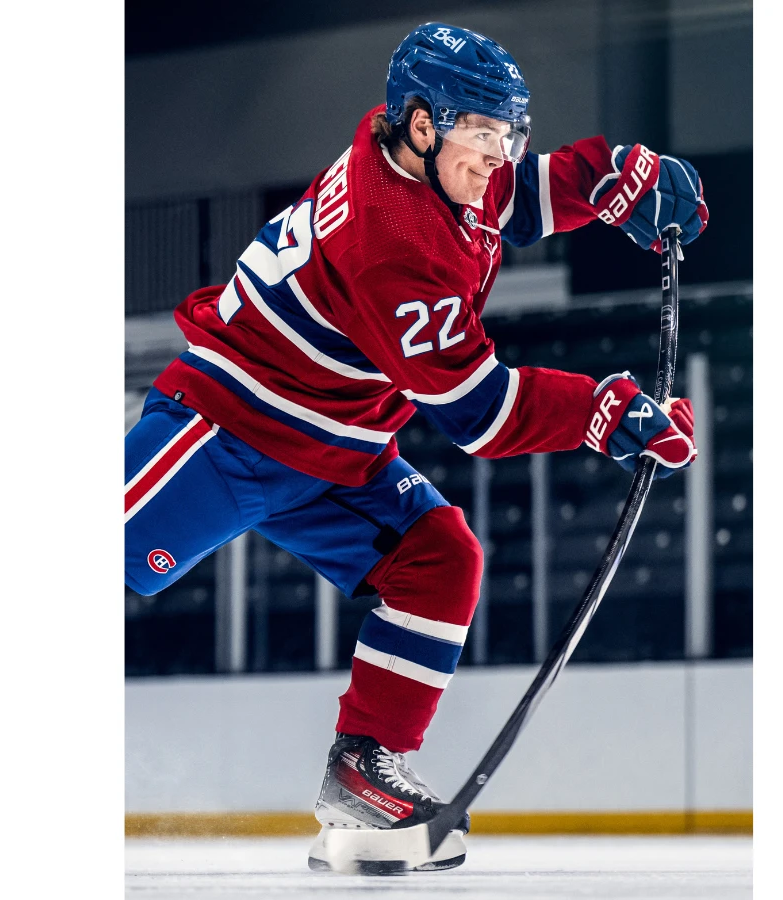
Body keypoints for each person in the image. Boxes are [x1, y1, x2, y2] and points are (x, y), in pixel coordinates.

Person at [124, 22, 708, 872]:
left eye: (508, 134)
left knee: (439, 557)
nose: (498, 157)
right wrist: (603, 413)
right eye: (483, 135)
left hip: (336, 447)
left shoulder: (425, 160)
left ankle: (361, 776)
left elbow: (517, 198)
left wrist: (610, 176)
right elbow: (479, 412)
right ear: (426, 126)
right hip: (229, 426)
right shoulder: (392, 241)